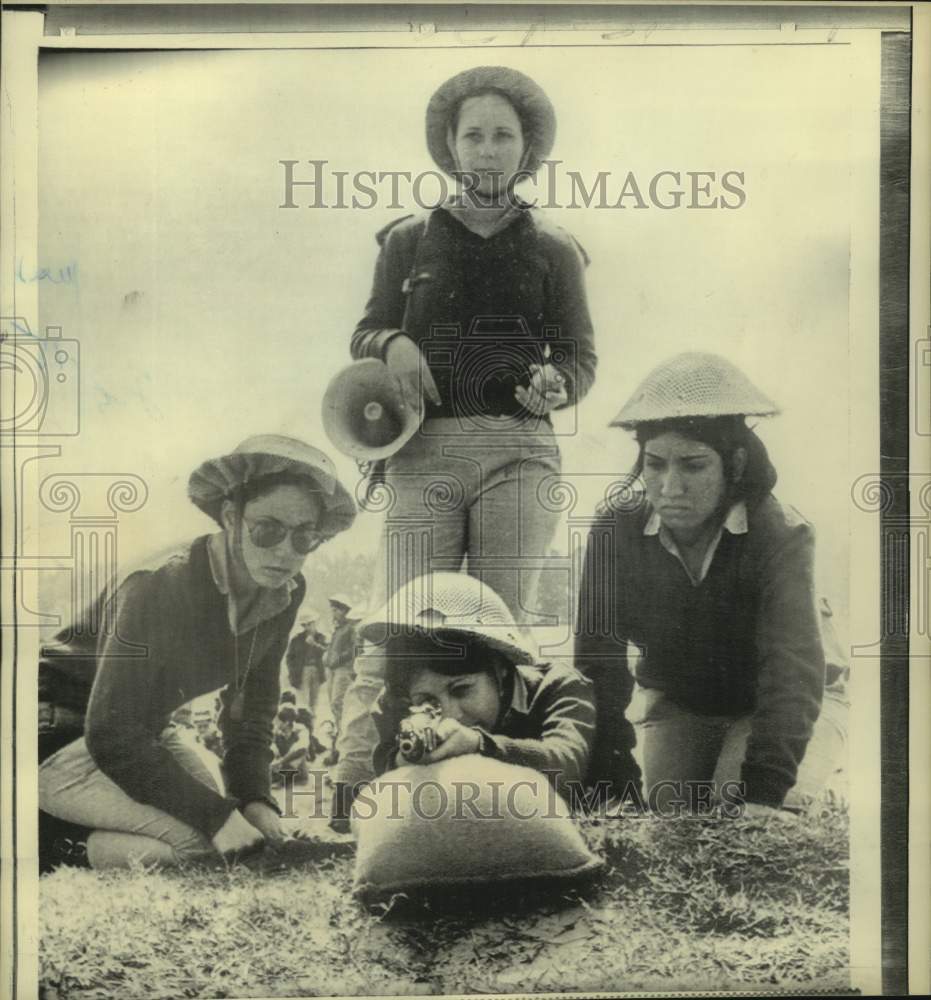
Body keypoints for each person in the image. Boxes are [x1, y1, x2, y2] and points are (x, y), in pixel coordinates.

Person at [332, 64, 598, 811]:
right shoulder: (408, 240)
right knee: (397, 620)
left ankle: (501, 794)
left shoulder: (554, 248)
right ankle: (357, 795)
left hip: (519, 449)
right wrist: (391, 344)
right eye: (471, 134)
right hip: (422, 450)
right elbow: (364, 327)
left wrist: (559, 386)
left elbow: (579, 355)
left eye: (501, 136)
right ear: (448, 147)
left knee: (498, 627)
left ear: (526, 149)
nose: (486, 150)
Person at [37, 435, 355, 870]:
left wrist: (254, 800)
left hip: (140, 734)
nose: (285, 551)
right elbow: (109, 732)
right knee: (200, 844)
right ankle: (50, 841)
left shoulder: (286, 591)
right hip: (60, 734)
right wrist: (216, 816)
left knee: (237, 829)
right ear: (231, 516)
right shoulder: (161, 583)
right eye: (267, 530)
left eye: (305, 537)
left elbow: (253, 710)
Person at [574, 352, 835, 817]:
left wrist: (764, 789)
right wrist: (613, 773)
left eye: (693, 465)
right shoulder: (615, 529)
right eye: (654, 464)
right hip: (684, 705)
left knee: (740, 811)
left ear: (734, 464)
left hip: (779, 706)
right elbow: (597, 658)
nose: (670, 486)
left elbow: (791, 671)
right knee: (673, 816)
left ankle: (815, 787)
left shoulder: (781, 535)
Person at [364, 573, 595, 799]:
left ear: (501, 668)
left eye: (461, 690)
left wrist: (479, 745)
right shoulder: (395, 701)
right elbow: (384, 757)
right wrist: (400, 762)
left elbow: (567, 763)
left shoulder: (558, 686)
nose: (451, 716)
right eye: (427, 701)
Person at [285, 615, 328, 713]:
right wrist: (293, 672)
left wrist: (314, 644)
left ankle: (311, 723)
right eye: (305, 625)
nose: (307, 627)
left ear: (315, 623)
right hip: (303, 670)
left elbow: (326, 653)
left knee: (314, 701)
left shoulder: (321, 637)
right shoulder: (297, 639)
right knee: (303, 700)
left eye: (310, 624)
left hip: (317, 670)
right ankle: (304, 720)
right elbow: (290, 657)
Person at [270, 706, 311, 785]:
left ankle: (283, 775)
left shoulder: (301, 730)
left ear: (286, 722)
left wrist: (280, 762)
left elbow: (301, 748)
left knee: (301, 751)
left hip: (297, 770)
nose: (275, 723)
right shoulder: (277, 731)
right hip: (280, 767)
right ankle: (278, 775)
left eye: (278, 721)